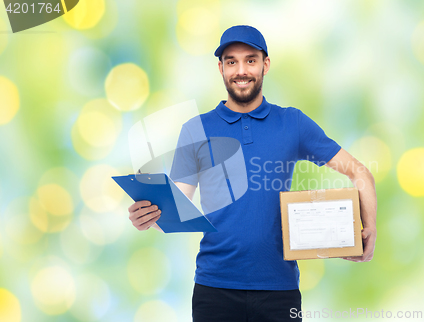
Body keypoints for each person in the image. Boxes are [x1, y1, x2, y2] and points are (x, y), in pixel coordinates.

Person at [128, 25, 377, 322]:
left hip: (279, 290)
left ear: (265, 65)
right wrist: (149, 217)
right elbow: (177, 210)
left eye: (250, 60)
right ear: (220, 68)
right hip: (213, 289)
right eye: (231, 61)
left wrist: (369, 225)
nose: (241, 70)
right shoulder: (196, 129)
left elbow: (359, 171)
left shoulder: (292, 123)